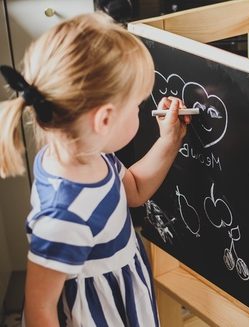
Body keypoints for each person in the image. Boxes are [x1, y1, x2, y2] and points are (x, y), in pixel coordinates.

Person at [0, 12, 191, 326]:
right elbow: (39, 309)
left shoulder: (90, 155)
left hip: (123, 295)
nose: (142, 111)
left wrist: (169, 141)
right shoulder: (63, 216)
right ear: (104, 120)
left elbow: (134, 190)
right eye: (137, 106)